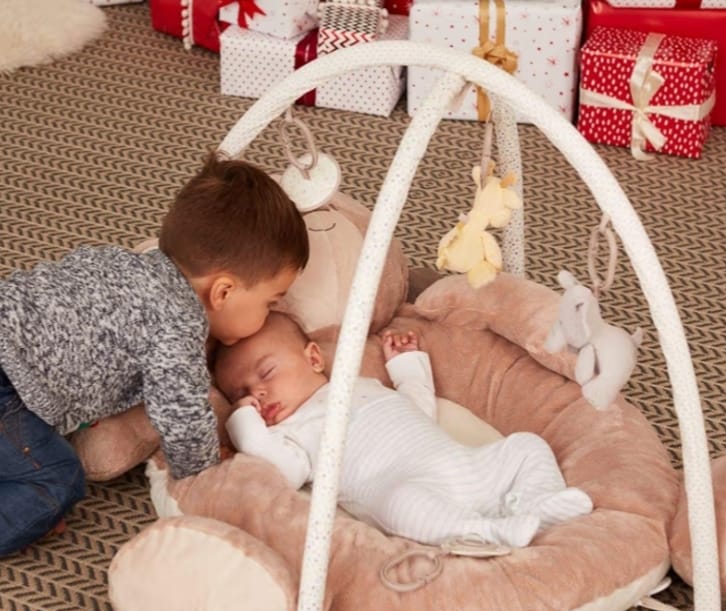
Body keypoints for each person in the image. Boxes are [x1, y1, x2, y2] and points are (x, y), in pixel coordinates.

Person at [0, 151, 310, 557]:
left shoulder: (118, 260)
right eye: (269, 303)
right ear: (223, 292)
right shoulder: (178, 322)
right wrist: (202, 466)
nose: (270, 314)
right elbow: (180, 413)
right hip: (9, 382)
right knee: (56, 480)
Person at [213, 312, 593, 548]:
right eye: (241, 394)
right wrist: (244, 423)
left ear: (313, 358)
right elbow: (280, 469)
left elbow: (417, 408)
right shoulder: (291, 435)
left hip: (465, 464)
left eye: (266, 373)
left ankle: (539, 501)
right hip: (414, 489)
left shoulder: (358, 383)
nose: (257, 392)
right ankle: (486, 531)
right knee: (401, 505)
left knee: (526, 446)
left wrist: (407, 366)